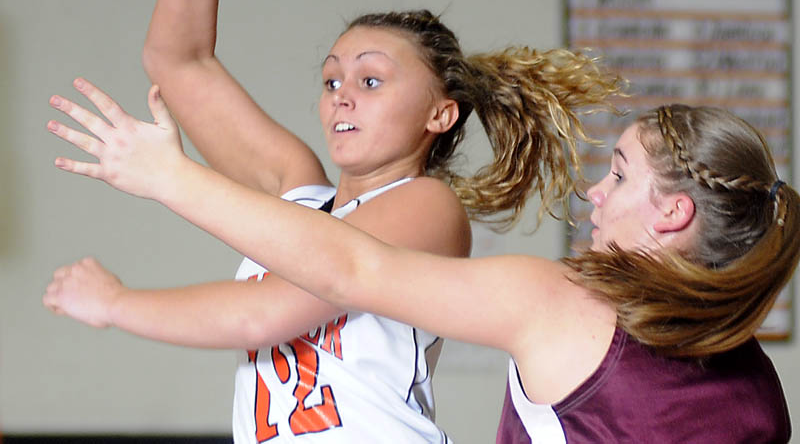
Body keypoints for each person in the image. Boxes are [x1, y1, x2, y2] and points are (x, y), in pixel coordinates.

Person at [43, 0, 623, 443]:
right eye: (331, 79)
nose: (342, 96)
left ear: (440, 114)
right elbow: (177, 62)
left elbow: (259, 314)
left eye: (370, 81)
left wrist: (119, 300)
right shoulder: (297, 191)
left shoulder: (425, 206)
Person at [46, 92, 797, 443]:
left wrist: (168, 177)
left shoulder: (563, 305)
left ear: (672, 214)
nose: (596, 191)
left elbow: (345, 265)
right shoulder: (758, 390)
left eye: (622, 175)